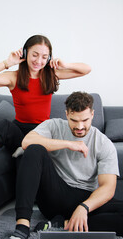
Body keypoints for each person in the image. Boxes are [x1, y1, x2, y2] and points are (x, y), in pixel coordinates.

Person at [0, 35, 91, 165]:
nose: (39, 61)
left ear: (49, 58)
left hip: (42, 132)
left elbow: (86, 69)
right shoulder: (14, 77)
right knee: (3, 125)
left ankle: (25, 148)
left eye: (44, 57)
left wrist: (65, 65)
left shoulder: (52, 74)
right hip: (19, 131)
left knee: (35, 150)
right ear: (25, 53)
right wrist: (8, 63)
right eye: (35, 55)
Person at [10, 91, 123, 239]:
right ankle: (22, 227)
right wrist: (69, 144)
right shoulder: (54, 125)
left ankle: (62, 224)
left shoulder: (103, 144)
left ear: (93, 114)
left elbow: (108, 188)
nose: (80, 126)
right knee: (34, 148)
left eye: (85, 120)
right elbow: (26, 142)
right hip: (55, 193)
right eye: (74, 120)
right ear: (66, 114)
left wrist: (84, 207)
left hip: (86, 198)